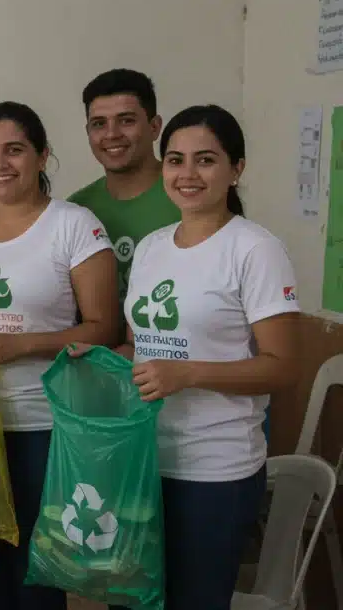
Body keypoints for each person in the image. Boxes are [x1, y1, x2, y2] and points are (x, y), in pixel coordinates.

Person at [74, 105, 299, 610]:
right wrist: (102, 358)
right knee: (128, 598)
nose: (187, 173)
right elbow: (142, 347)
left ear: (236, 169)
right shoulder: (153, 247)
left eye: (206, 160)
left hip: (214, 469)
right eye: (175, 160)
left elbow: (283, 365)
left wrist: (189, 374)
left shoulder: (255, 249)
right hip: (142, 456)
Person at [0, 101, 119, 610]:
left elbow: (104, 328)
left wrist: (22, 344)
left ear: (42, 155)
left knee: (38, 565)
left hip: (41, 422)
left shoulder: (72, 224)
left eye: (14, 150)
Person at [68, 69, 181, 303]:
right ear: (88, 132)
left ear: (155, 127)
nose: (112, 134)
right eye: (99, 124)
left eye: (126, 120)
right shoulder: (76, 210)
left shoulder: (188, 194)